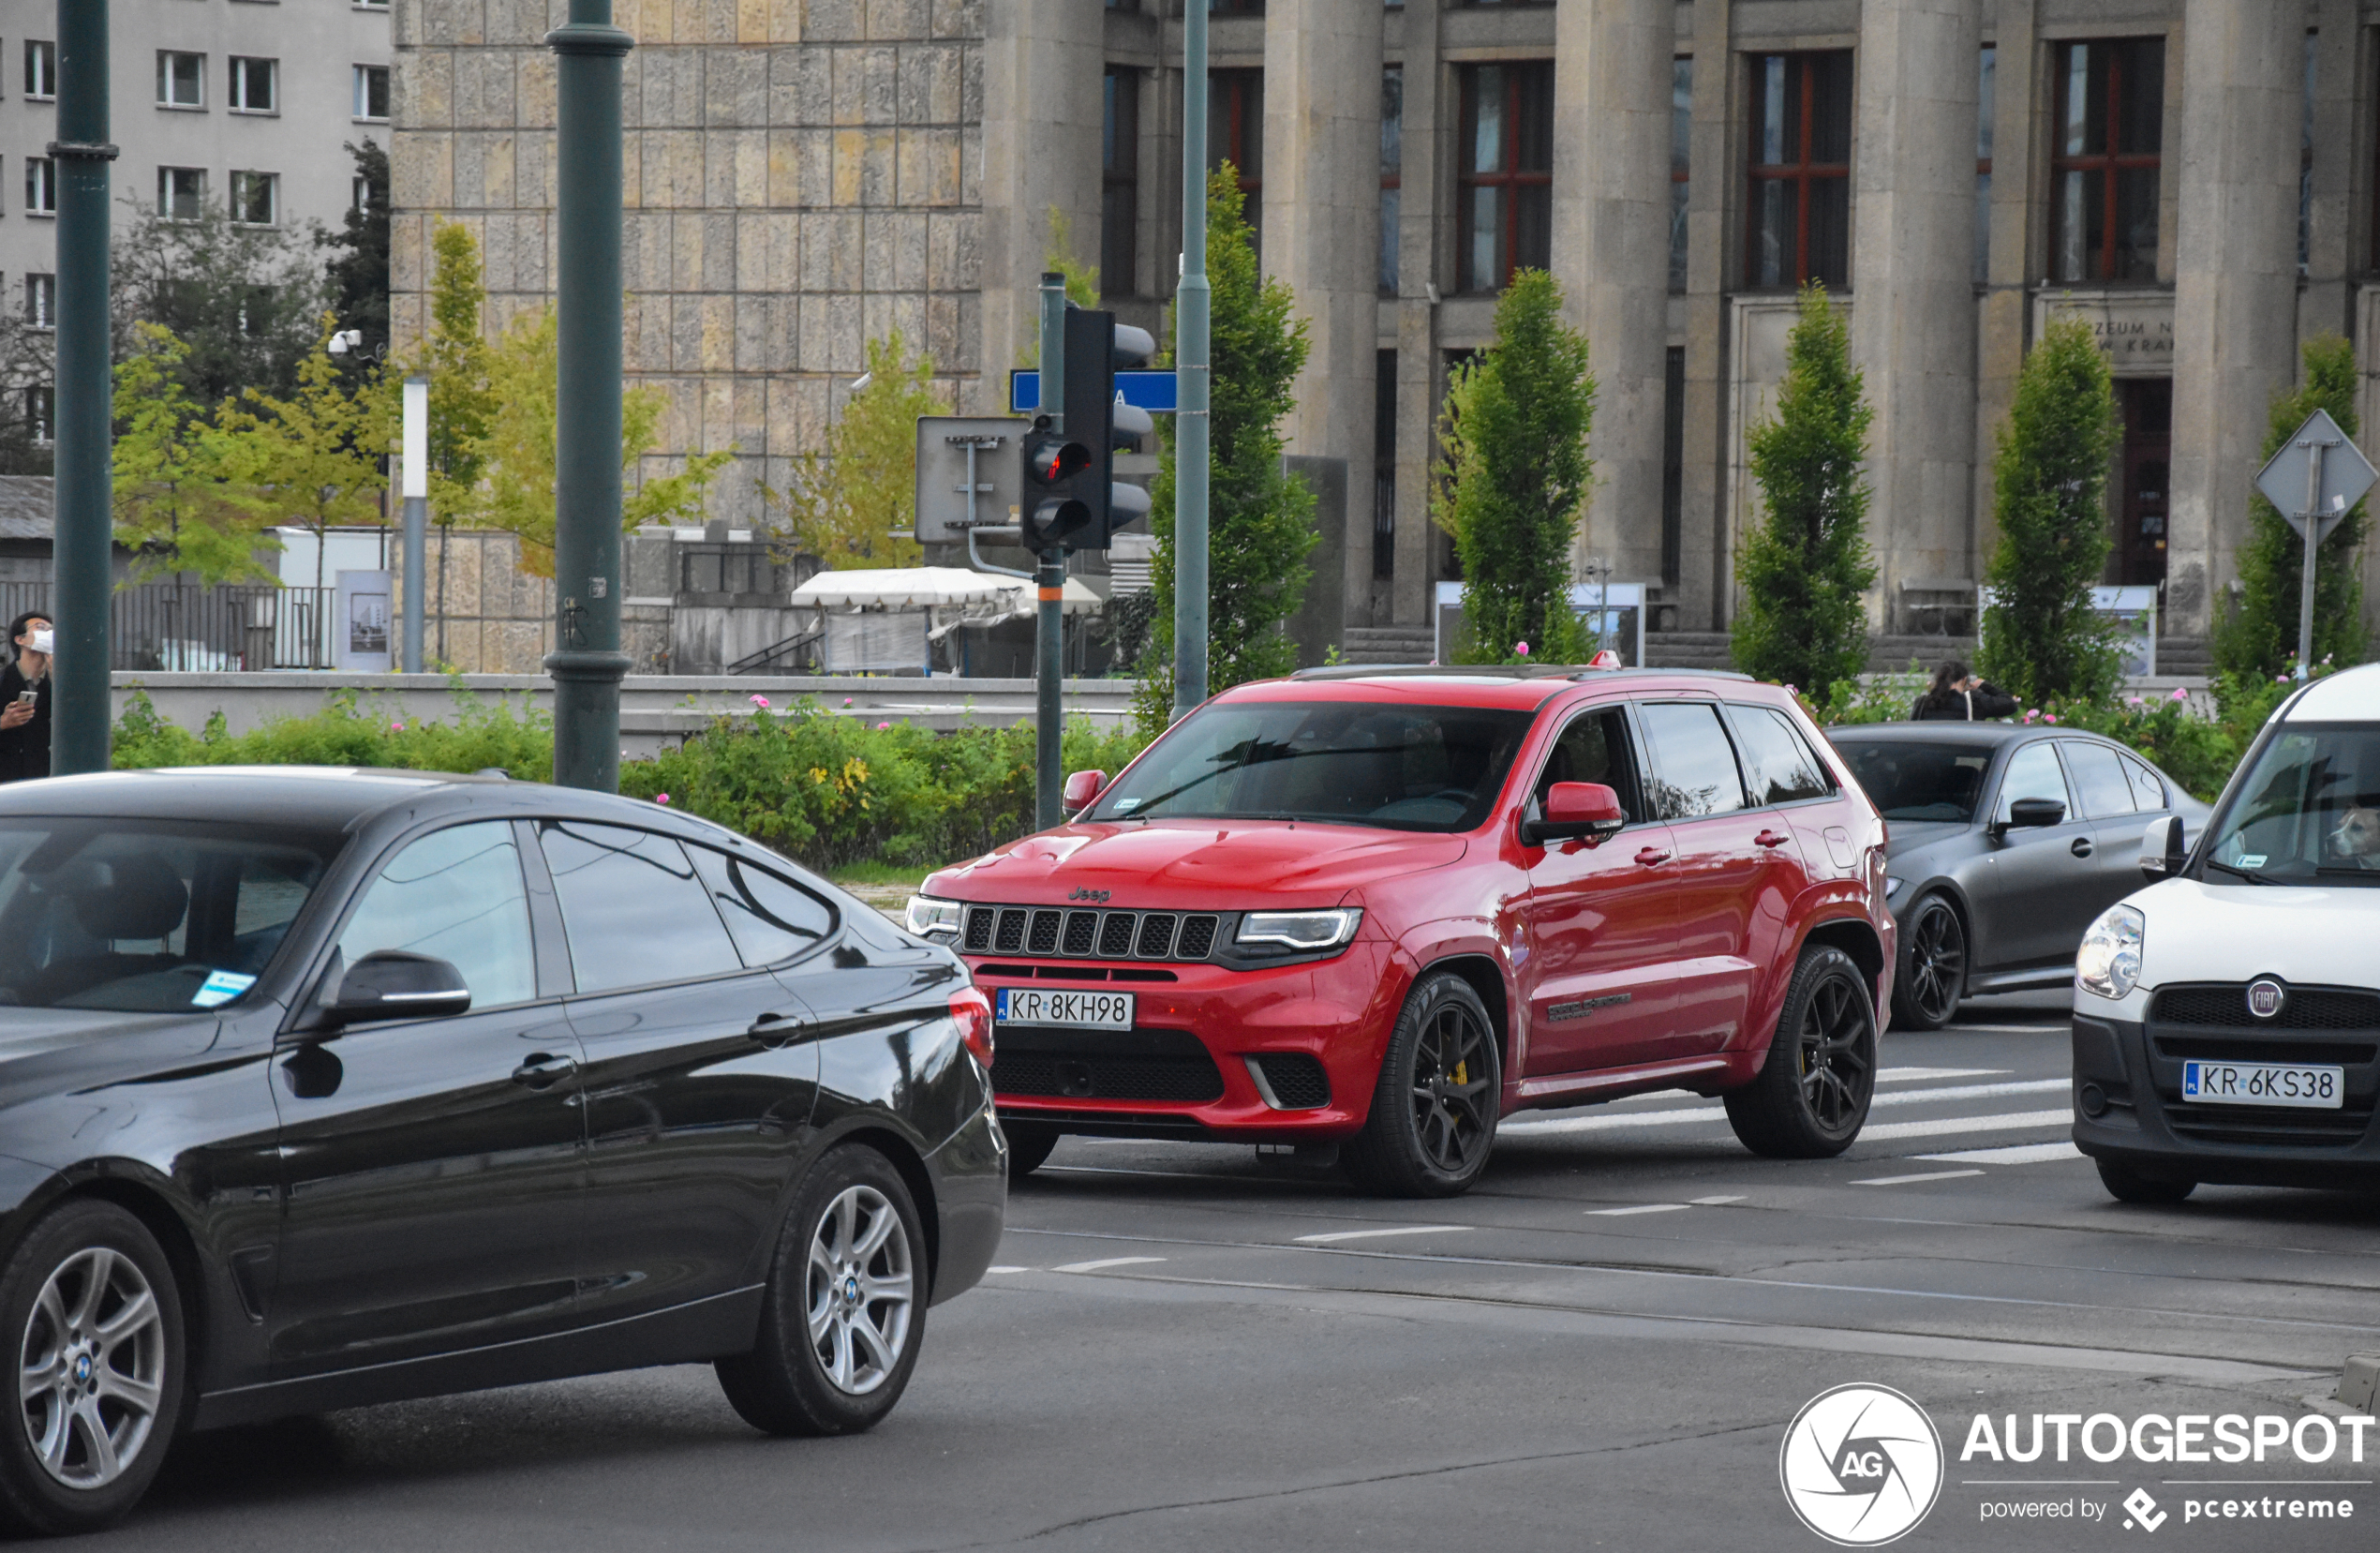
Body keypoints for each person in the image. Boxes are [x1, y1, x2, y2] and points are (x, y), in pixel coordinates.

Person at [0, 612, 54, 783]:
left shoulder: (59, 682)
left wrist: (57, 678)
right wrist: (3, 722)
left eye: (51, 630)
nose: (47, 633)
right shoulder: (3, 680)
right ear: (20, 640)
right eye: (40, 628)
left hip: (43, 779)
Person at [1910, 659, 2017, 722]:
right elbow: (2010, 704)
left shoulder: (1922, 703)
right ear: (1964, 680)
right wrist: (1983, 685)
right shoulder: (1973, 701)